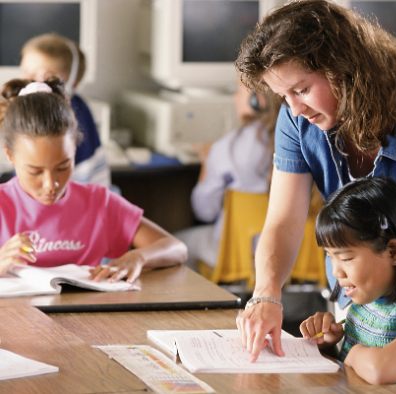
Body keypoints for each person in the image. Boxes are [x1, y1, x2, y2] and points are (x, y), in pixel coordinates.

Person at [234, 0, 396, 385]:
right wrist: (266, 295)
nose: (295, 110)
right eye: (284, 96)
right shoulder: (297, 119)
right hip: (367, 288)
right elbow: (282, 221)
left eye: (302, 89)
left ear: (343, 69)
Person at [0, 78, 187, 282]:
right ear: (9, 155)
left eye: (62, 167)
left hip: (84, 312)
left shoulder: (98, 203)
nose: (50, 184)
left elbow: (176, 248)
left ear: (74, 149)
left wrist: (138, 257)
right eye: (35, 171)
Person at [300, 177, 396, 394]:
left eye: (345, 258)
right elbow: (353, 378)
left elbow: (381, 370)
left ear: (393, 253)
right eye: (330, 257)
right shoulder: (366, 304)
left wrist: (352, 353)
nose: (336, 271)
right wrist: (328, 346)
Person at [174, 80, 281, 271]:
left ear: (258, 101)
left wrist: (206, 163)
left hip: (238, 252)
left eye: (238, 92)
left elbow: (205, 212)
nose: (234, 98)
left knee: (175, 246)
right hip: (290, 251)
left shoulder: (228, 147)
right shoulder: (297, 139)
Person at [20, 33, 111, 187]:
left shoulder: (67, 116)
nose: (26, 79)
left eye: (40, 74)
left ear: (71, 84)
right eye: (24, 70)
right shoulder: (77, 105)